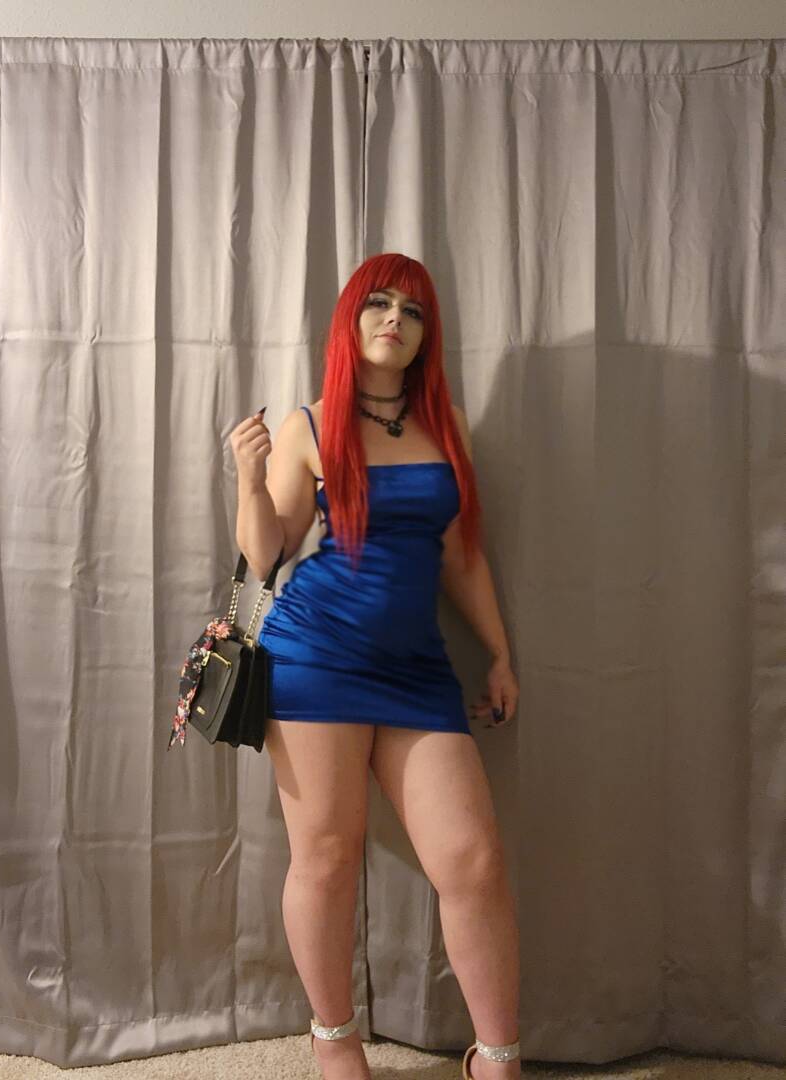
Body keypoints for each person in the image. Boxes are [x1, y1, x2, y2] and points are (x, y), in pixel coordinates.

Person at [230, 253, 521, 1080]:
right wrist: (249, 478)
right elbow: (267, 553)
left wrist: (499, 653)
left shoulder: (447, 424)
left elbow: (460, 554)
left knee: (471, 861)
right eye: (379, 304)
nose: (395, 319)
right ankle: (336, 1045)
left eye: (413, 310)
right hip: (315, 659)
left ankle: (497, 1058)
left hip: (418, 670)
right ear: (351, 320)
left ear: (427, 335)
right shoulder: (312, 424)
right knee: (326, 857)